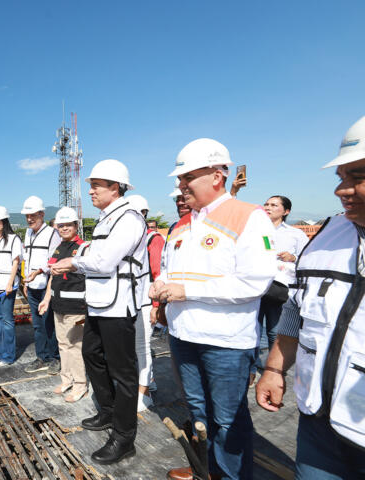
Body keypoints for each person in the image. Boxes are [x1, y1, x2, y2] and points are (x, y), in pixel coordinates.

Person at [150, 138, 277, 480]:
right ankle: (206, 468)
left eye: (186, 177)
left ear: (216, 176)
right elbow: (169, 271)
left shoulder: (249, 216)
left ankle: (230, 474)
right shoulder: (181, 225)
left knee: (227, 419)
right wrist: (161, 292)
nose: (180, 185)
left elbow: (255, 281)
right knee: (198, 411)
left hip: (225, 342)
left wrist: (186, 290)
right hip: (181, 335)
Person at [256, 116, 365, 479]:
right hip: (319, 419)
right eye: (341, 178)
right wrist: (273, 368)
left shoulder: (296, 235)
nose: (342, 190)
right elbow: (298, 308)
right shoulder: (331, 233)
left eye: (358, 177)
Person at [51, 159, 149, 465]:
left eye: (96, 185)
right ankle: (108, 410)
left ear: (115, 187)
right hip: (99, 302)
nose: (90, 191)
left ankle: (124, 437)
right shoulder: (107, 219)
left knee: (123, 372)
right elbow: (97, 253)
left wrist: (72, 262)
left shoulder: (128, 218)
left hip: (118, 306)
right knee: (92, 354)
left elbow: (105, 262)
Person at [252, 196, 308, 379]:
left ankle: (273, 371)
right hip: (255, 287)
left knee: (275, 331)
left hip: (279, 290)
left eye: (274, 205)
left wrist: (293, 258)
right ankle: (251, 371)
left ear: (286, 211)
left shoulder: (295, 234)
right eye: (266, 204)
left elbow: (308, 259)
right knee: (252, 330)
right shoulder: (254, 231)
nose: (268, 207)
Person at [38, 207, 88, 402]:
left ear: (76, 225)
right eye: (61, 225)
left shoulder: (83, 248)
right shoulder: (58, 248)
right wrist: (46, 299)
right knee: (63, 344)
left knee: (75, 346)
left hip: (76, 308)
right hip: (58, 305)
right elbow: (52, 275)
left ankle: (80, 385)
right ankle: (67, 379)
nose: (64, 228)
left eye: (68, 225)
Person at [126, 194, 164, 411]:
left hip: (146, 302)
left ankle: (145, 393)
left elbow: (158, 275)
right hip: (131, 301)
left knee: (142, 347)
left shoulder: (153, 239)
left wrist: (157, 308)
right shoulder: (132, 240)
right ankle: (148, 381)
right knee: (136, 347)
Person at [21, 195, 62, 375]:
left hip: (47, 285)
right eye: (27, 216)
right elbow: (27, 258)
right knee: (37, 325)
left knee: (49, 323)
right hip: (32, 286)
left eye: (33, 215)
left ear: (42, 215)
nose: (29, 219)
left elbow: (53, 262)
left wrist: (38, 271)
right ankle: (41, 357)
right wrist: (25, 279)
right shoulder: (28, 233)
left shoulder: (53, 234)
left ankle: (55, 358)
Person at [0, 206, 23, 366]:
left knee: (7, 320)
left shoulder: (14, 239)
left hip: (7, 287)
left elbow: (16, 262)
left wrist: (10, 283)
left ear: (5, 221)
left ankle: (8, 355)